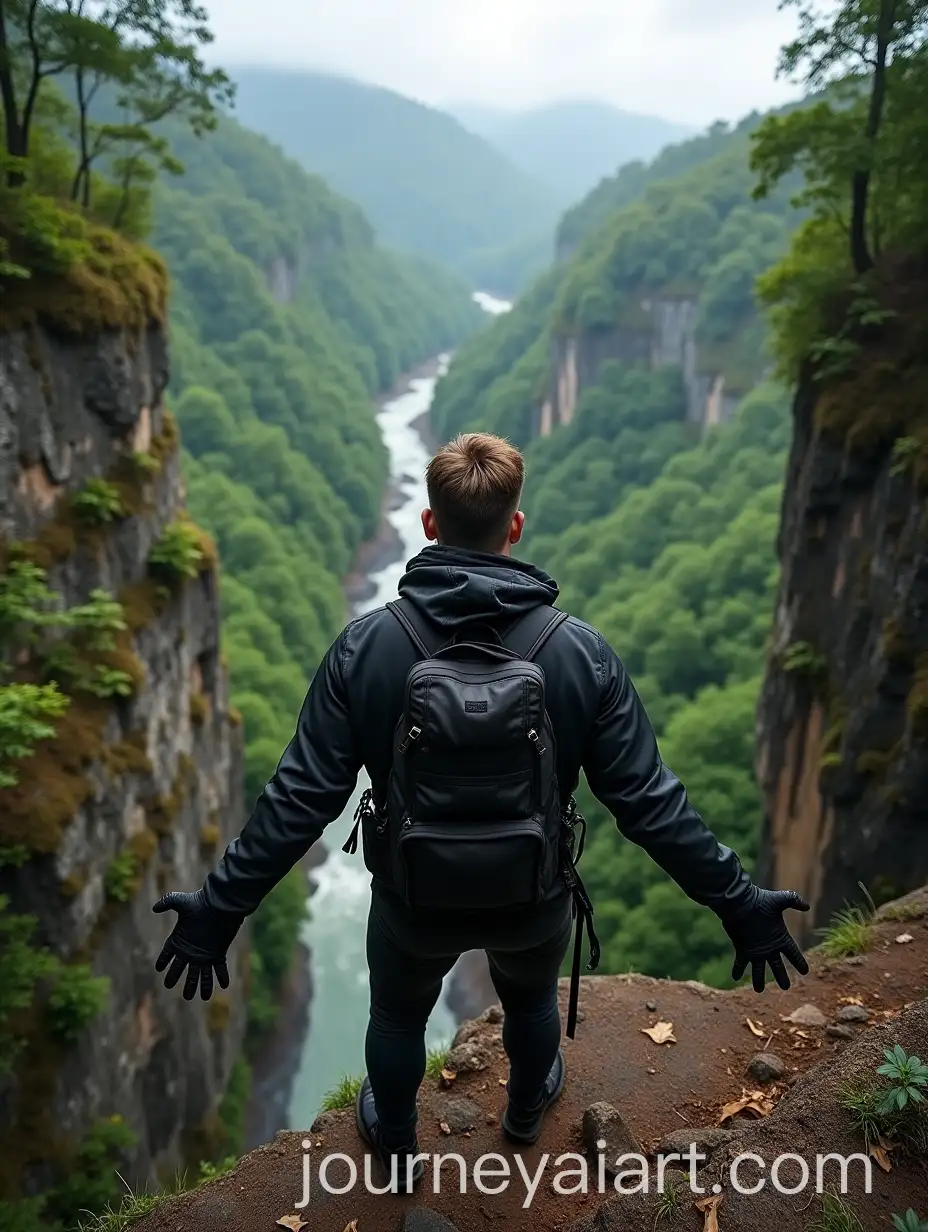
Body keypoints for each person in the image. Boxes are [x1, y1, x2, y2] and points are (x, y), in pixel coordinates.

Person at [153, 432, 809, 1189]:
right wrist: (738, 902)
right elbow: (647, 802)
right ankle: (526, 1112)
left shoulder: (367, 648)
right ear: (516, 526)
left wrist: (219, 907)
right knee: (529, 1001)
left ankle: (396, 1145)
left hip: (412, 898)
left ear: (430, 526)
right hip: (532, 896)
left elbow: (301, 800)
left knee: (398, 1017)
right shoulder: (577, 653)